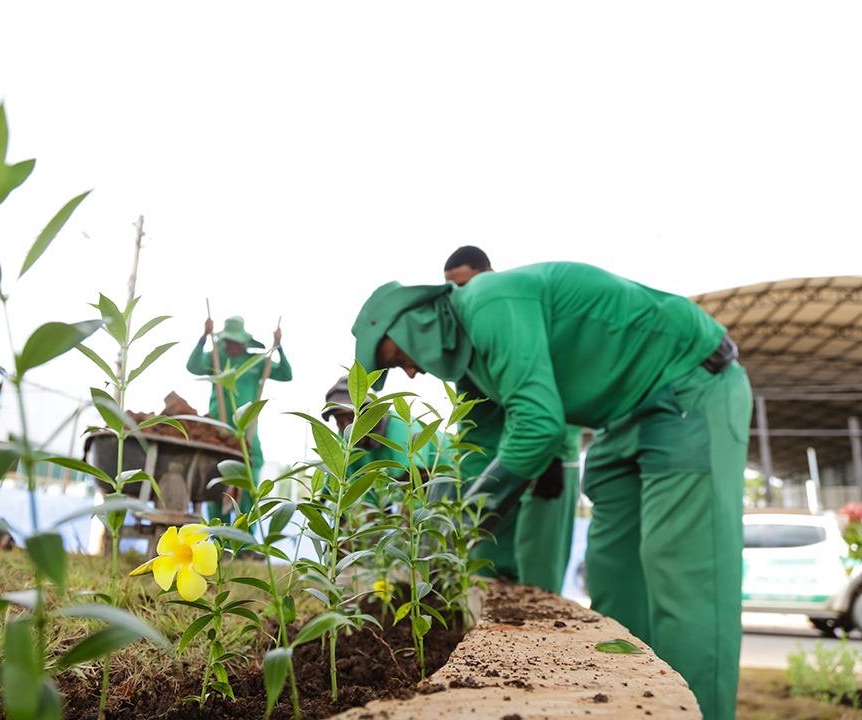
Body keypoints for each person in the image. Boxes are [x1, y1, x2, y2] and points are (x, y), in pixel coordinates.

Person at [351, 261, 752, 720]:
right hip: (620, 417)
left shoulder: (488, 302)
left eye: (393, 356)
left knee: (684, 577)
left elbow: (539, 426)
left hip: (689, 385)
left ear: (413, 319)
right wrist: (433, 536)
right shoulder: (474, 367)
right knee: (613, 578)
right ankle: (632, 709)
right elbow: (476, 451)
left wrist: (464, 523)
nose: (406, 373)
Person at [442, 245, 581, 595]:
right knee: (488, 566)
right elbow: (475, 417)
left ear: (487, 273)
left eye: (465, 283)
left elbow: (550, 392)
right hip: (499, 466)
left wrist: (556, 453)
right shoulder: (469, 340)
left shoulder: (510, 312)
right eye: (453, 289)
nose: (461, 295)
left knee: (537, 577)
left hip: (547, 460)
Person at [186, 315, 292, 521]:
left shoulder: (255, 361)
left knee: (249, 484)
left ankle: (246, 541)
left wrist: (278, 347)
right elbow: (192, 366)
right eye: (228, 341)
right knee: (217, 484)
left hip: (247, 433)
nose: (231, 346)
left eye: (236, 341)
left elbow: (286, 374)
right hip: (218, 433)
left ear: (244, 342)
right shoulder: (215, 357)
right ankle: (219, 539)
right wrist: (204, 337)